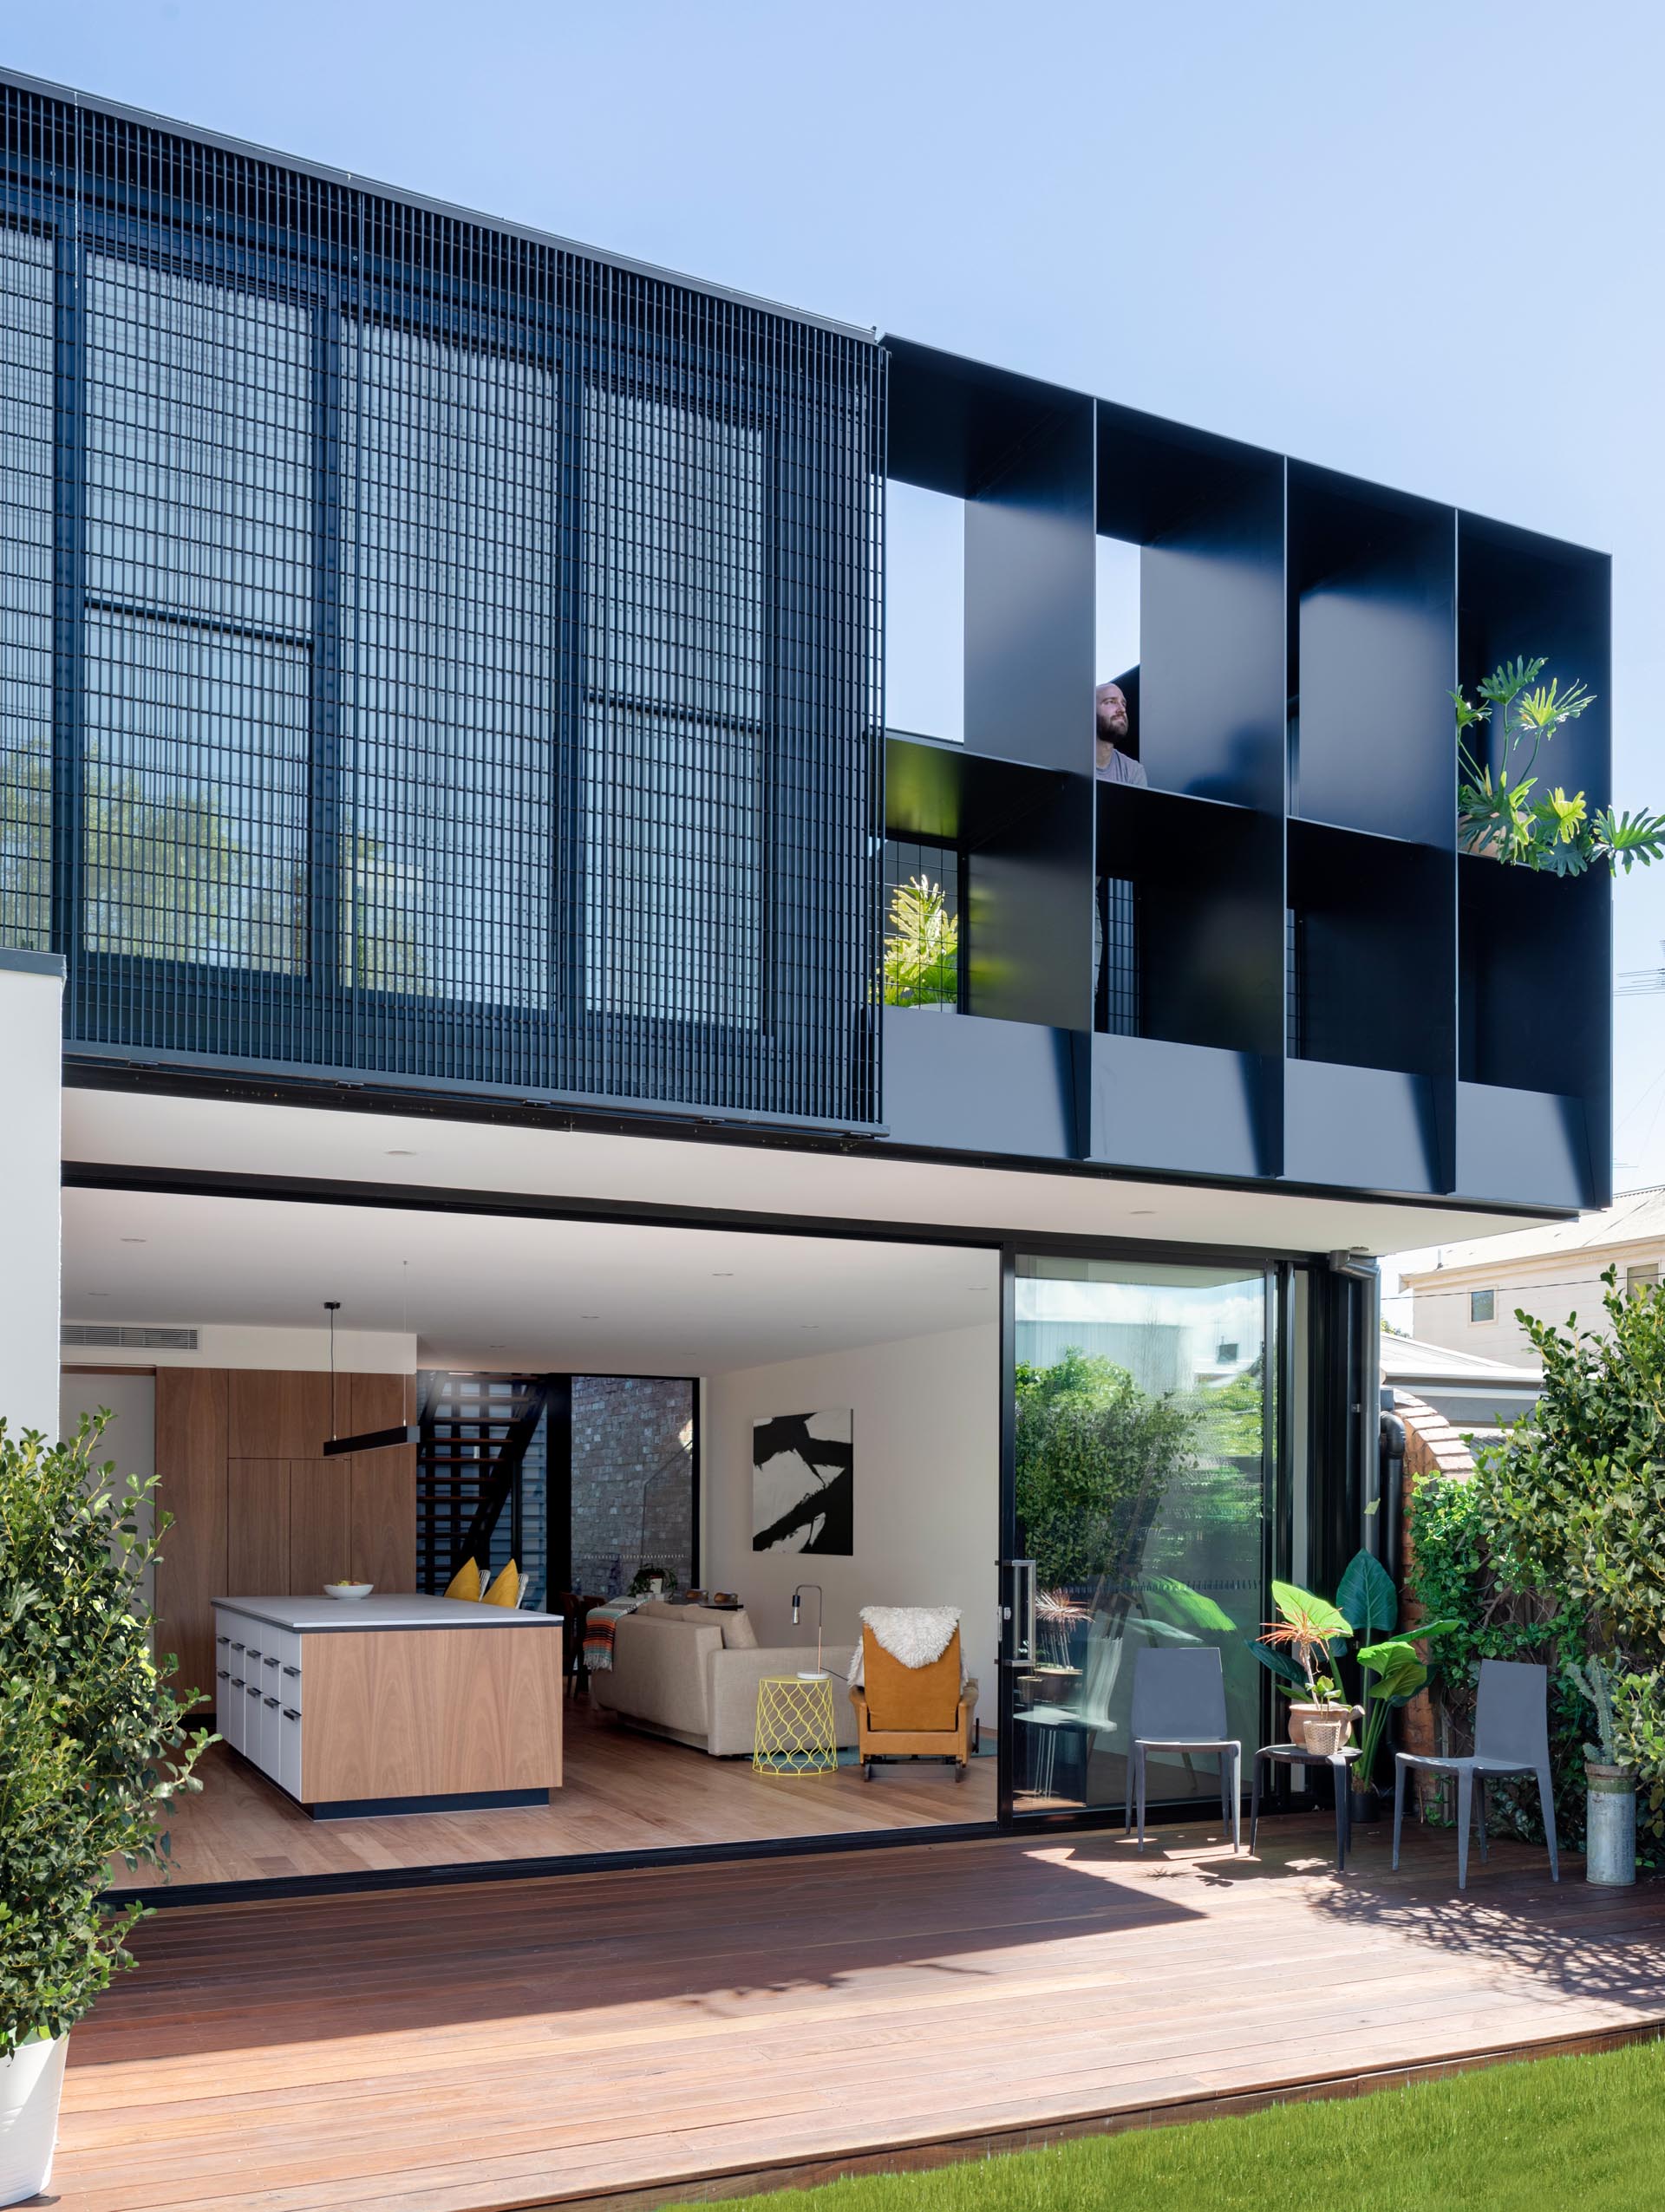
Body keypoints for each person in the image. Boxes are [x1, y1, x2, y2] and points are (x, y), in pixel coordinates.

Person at [1094, 678, 1147, 786]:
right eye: (1110, 702)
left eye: (1123, 704)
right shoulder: (1067, 761)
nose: (1122, 709)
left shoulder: (1133, 770)